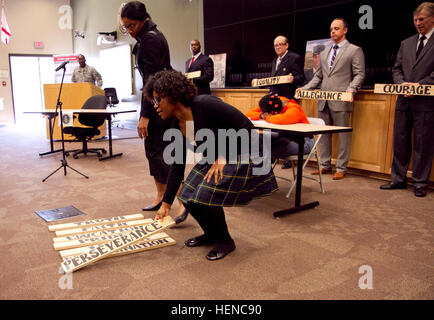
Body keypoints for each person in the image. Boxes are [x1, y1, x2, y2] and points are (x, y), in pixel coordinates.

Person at [145, 70, 278, 261]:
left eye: (157, 99)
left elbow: (247, 128)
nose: (155, 106)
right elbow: (178, 165)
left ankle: (225, 241)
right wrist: (166, 204)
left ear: (172, 94)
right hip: (217, 156)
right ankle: (211, 234)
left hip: (246, 151)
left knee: (204, 194)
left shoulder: (205, 105)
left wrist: (222, 157)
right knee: (187, 196)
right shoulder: (178, 125)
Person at [121, 1, 186, 222]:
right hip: (158, 100)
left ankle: (182, 200)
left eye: (131, 26)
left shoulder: (150, 40)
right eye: (125, 27)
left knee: (160, 154)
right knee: (154, 151)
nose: (129, 31)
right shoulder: (148, 36)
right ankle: (160, 195)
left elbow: (151, 82)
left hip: (159, 105)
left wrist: (145, 115)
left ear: (142, 20)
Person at [298, 18, 365, 180]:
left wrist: (351, 89)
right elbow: (318, 77)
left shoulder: (354, 50)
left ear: (345, 30)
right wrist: (305, 88)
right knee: (323, 135)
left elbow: (359, 74)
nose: (333, 32)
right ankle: (324, 165)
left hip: (342, 100)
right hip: (323, 100)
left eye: (336, 28)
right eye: (331, 29)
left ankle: (341, 167)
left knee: (343, 136)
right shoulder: (325, 52)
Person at [380, 2, 434, 197]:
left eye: (422, 19)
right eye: (415, 20)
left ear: (432, 19)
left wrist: (419, 85)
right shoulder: (407, 42)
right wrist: (403, 84)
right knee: (400, 140)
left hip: (426, 102)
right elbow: (396, 68)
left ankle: (420, 183)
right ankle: (398, 179)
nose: (418, 23)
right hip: (403, 100)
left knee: (423, 143)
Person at [246, 93, 314, 161]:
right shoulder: (273, 103)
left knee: (271, 148)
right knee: (258, 137)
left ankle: (258, 167)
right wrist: (260, 115)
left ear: (273, 111)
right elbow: (249, 114)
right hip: (284, 136)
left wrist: (267, 117)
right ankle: (253, 166)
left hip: (303, 142)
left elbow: (282, 119)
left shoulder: (294, 109)